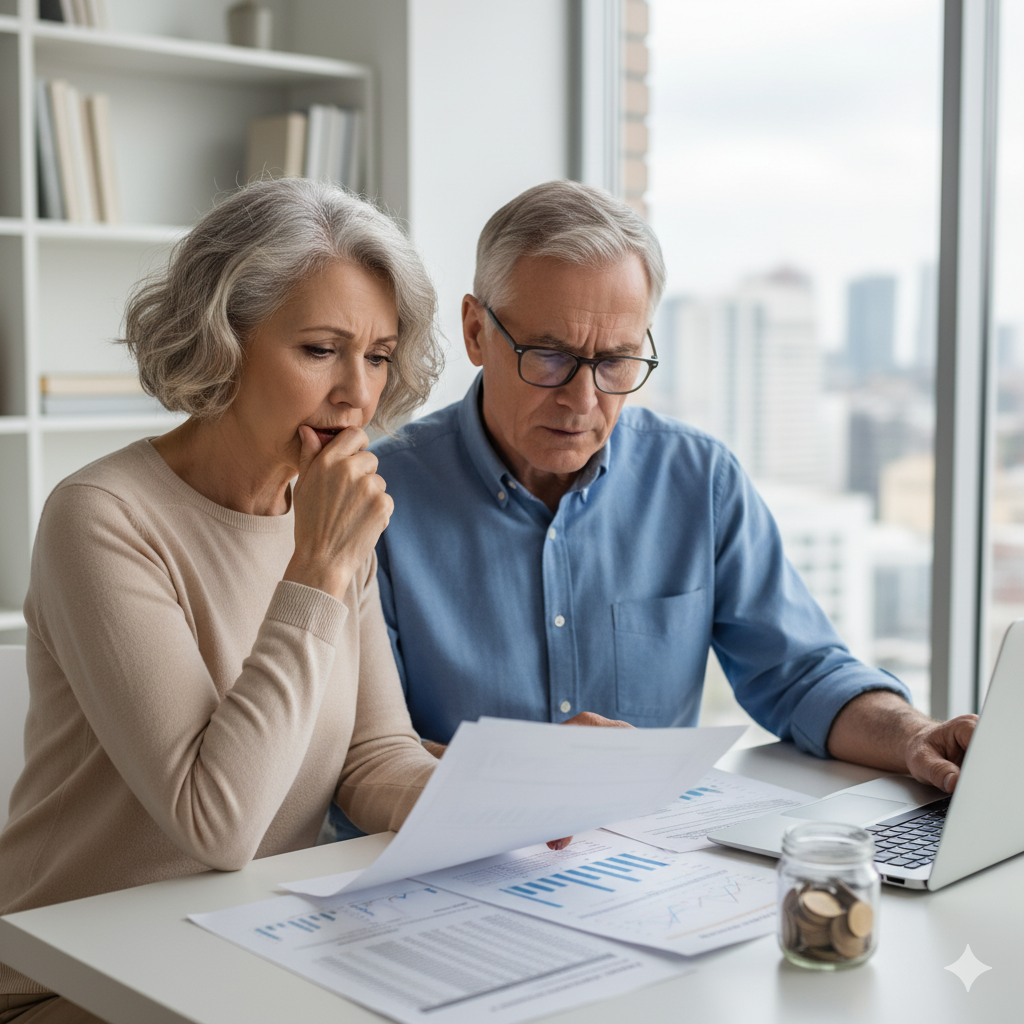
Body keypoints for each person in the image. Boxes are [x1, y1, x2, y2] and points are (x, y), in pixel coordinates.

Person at [318, 179, 978, 844]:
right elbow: (366, 753)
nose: (583, 400)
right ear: (475, 331)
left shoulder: (699, 481)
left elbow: (801, 674)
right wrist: (523, 783)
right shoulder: (375, 499)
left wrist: (916, 735)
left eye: (615, 360)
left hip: (648, 881)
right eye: (549, 356)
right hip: (445, 871)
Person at [0, 178, 445, 1023]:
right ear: (222, 342)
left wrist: (497, 802)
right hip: (65, 981)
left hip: (239, 952)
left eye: (379, 355)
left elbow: (373, 756)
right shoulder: (102, 517)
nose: (358, 394)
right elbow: (218, 823)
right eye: (320, 349)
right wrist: (315, 569)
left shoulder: (322, 510)